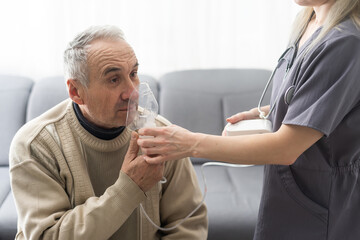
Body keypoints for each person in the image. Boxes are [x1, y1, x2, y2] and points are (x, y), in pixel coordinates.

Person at [136, 0, 360, 239]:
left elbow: (287, 148)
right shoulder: (308, 23)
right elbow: (313, 96)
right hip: (287, 195)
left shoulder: (344, 43)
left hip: (323, 203)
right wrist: (268, 111)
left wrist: (189, 144)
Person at [9, 25, 207, 240]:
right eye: (114, 79)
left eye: (133, 74)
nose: (132, 92)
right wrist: (129, 188)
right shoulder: (35, 145)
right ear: (76, 92)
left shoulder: (159, 135)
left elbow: (188, 225)